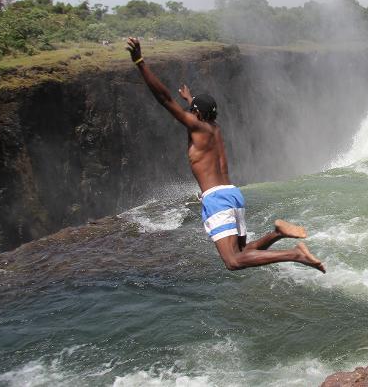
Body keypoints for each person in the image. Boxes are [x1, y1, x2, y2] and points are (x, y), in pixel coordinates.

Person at [126, 37, 325, 273]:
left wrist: (139, 61)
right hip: (233, 194)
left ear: (196, 115)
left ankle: (295, 254)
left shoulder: (196, 127)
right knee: (242, 253)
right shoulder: (215, 128)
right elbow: (200, 111)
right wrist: (191, 100)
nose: (189, 113)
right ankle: (277, 233)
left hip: (216, 199)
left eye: (192, 111)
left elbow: (164, 99)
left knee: (232, 262)